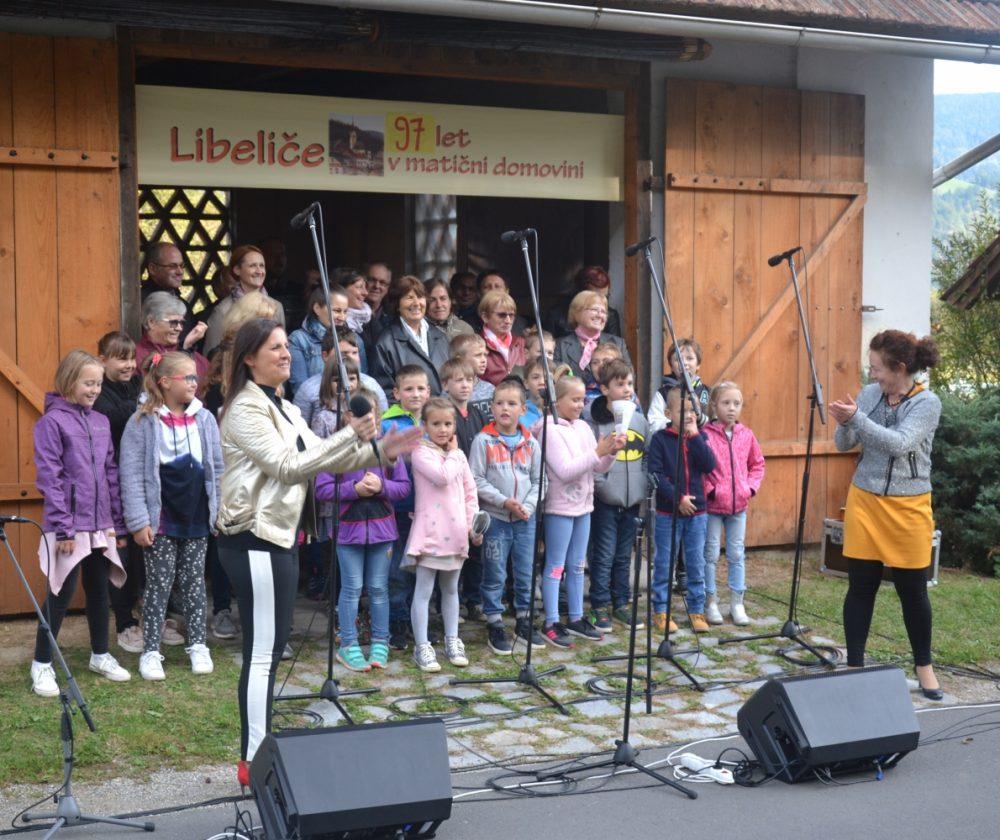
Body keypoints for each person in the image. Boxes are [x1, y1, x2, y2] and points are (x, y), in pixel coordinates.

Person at [215, 318, 421, 783]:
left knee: (273, 648)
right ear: (249, 358)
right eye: (274, 347)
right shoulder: (245, 408)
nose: (286, 353)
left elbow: (324, 458)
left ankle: (260, 750)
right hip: (252, 538)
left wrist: (380, 451)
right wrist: (353, 433)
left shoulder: (285, 407)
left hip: (280, 537)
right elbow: (289, 467)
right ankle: (252, 760)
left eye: (285, 346)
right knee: (262, 653)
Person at [831, 330, 944, 700]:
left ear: (900, 368)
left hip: (909, 507)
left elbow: (899, 444)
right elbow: (843, 444)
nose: (872, 374)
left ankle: (924, 667)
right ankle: (854, 665)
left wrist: (858, 420)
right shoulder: (868, 394)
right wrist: (845, 421)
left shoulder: (927, 403)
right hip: (865, 501)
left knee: (913, 592)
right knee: (861, 587)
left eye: (877, 368)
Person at [30, 351, 131, 697]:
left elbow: (110, 474)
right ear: (69, 381)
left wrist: (116, 523)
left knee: (99, 589)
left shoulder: (101, 422)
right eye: (89, 383)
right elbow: (50, 476)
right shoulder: (52, 423)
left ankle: (100, 655)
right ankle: (42, 663)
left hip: (100, 524)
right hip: (69, 527)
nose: (95, 390)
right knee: (61, 592)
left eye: (99, 384)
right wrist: (64, 528)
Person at [120, 352, 223, 681]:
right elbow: (131, 475)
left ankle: (198, 644)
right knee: (158, 586)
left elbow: (216, 468)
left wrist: (217, 510)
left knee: (194, 583)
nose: (194, 382)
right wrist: (139, 521)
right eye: (187, 377)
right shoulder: (142, 422)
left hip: (196, 517)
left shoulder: (205, 419)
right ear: (164, 382)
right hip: (162, 519)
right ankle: (151, 650)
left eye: (195, 377)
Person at [316, 389, 411, 672]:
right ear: (347, 418)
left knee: (379, 588)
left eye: (371, 415)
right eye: (359, 415)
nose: (367, 421)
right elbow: (322, 489)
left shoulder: (387, 449)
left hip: (383, 532)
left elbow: (403, 487)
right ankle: (348, 644)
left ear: (379, 417)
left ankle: (380, 642)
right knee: (352, 588)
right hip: (348, 532)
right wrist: (354, 489)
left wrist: (382, 487)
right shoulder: (336, 449)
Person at [539, 373, 622, 648]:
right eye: (574, 400)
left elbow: (597, 466)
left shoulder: (583, 427)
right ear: (557, 401)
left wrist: (610, 452)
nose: (579, 405)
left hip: (584, 506)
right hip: (560, 508)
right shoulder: (549, 430)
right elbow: (564, 470)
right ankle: (551, 621)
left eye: (582, 400)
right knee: (556, 566)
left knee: (577, 565)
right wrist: (598, 452)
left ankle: (575, 617)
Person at [406, 398, 481, 672]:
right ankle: (422, 645)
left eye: (448, 424)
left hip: (457, 532)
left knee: (451, 589)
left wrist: (473, 525)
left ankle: (452, 639)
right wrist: (455, 454)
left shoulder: (457, 456)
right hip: (431, 533)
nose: (443, 429)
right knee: (424, 591)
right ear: (425, 425)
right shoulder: (421, 452)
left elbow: (470, 492)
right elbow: (442, 477)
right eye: (436, 423)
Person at [469, 379, 544, 654]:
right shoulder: (483, 441)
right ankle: (495, 622)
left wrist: (528, 507)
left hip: (525, 518)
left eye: (511, 404)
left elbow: (540, 480)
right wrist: (504, 502)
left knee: (525, 571)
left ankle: (524, 620)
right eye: (499, 403)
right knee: (495, 572)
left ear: (523, 409)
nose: (505, 408)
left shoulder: (531, 443)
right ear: (491, 408)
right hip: (496, 518)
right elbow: (476, 478)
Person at [92, 332, 149, 654]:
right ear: (103, 360)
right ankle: (125, 622)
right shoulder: (100, 391)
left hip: (140, 481)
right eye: (120, 359)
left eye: (131, 358)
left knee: (145, 551)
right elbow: (113, 417)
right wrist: (143, 407)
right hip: (111, 483)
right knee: (120, 554)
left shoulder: (138, 384)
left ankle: (150, 616)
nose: (128, 365)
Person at [586, 359, 649, 632]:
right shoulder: (595, 422)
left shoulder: (640, 421)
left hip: (632, 500)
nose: (627, 389)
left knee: (624, 555)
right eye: (620, 384)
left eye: (630, 384)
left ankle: (620, 602)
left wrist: (642, 486)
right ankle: (599, 605)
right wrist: (603, 486)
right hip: (605, 500)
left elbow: (645, 456)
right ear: (604, 389)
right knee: (603, 554)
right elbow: (592, 457)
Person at [649, 387, 717, 634]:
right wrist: (678, 498)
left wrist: (696, 436)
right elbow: (656, 474)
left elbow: (709, 465)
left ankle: (697, 609)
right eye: (683, 410)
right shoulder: (660, 439)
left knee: (696, 562)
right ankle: (661, 610)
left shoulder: (700, 437)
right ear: (668, 413)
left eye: (692, 410)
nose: (689, 415)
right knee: (664, 562)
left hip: (697, 514)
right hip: (669, 513)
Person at [703, 381, 765, 626]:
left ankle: (737, 603)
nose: (731, 408)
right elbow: (699, 469)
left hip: (738, 507)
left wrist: (749, 488)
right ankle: (710, 601)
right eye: (726, 403)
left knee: (736, 554)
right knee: (710, 554)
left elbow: (757, 464)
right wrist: (710, 491)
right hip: (712, 507)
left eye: (736, 403)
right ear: (714, 405)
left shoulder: (746, 435)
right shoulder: (706, 436)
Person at [381, 365, 432, 649]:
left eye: (420, 388)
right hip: (399, 507)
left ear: (429, 392)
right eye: (409, 389)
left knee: (425, 567)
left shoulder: (436, 419)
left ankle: (419, 620)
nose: (415, 394)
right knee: (398, 568)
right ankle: (397, 620)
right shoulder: (389, 424)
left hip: (431, 509)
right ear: (396, 393)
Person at [441, 358, 488, 621]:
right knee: (454, 548)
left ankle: (473, 599)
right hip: (453, 489)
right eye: (458, 380)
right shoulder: (444, 416)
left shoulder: (478, 414)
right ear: (445, 385)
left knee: (476, 548)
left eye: (469, 380)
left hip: (475, 489)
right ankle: (450, 601)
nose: (465, 385)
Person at [293, 328, 387, 428]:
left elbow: (384, 421)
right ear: (325, 356)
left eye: (355, 353)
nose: (351, 358)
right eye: (343, 354)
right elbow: (299, 429)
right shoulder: (308, 390)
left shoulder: (371, 385)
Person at [373, 275, 450, 395]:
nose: (416, 303)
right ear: (397, 305)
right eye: (409, 298)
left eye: (420, 297)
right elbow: (386, 392)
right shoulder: (385, 343)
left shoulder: (440, 337)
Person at [204, 246, 286, 357]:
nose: (259, 271)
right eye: (253, 266)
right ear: (237, 270)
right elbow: (212, 355)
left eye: (262, 266)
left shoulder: (277, 307)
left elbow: (282, 348)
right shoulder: (223, 310)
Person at [137, 292, 210, 390]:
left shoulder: (197, 358)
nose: (179, 328)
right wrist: (184, 351)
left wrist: (186, 349)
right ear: (151, 322)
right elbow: (163, 391)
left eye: (181, 323)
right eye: (173, 322)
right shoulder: (136, 357)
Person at [287, 284, 349, 398]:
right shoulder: (298, 340)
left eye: (345, 311)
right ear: (317, 308)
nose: (342, 317)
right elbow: (301, 390)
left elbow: (362, 380)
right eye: (337, 311)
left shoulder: (355, 339)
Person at [554, 290, 630, 380]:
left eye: (603, 312)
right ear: (577, 312)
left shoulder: (618, 343)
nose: (600, 315)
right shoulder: (560, 345)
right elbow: (555, 380)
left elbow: (627, 377)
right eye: (595, 310)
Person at [649, 338, 711, 434]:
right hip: (673, 441)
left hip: (701, 441)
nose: (684, 363)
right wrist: (677, 425)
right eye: (678, 359)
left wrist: (701, 420)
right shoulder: (663, 393)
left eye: (689, 358)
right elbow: (654, 423)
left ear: (698, 364)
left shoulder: (707, 392)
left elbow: (716, 423)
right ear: (671, 366)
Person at [544, 265, 623, 339]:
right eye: (594, 296)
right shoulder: (556, 314)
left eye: (605, 296)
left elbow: (614, 345)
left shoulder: (610, 316)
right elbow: (548, 344)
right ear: (580, 293)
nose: (600, 302)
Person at [479, 290, 527, 386]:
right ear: (485, 317)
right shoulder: (475, 346)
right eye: (502, 315)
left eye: (511, 315)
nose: (508, 321)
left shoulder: (522, 343)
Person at [451, 333, 494, 420]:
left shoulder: (490, 389)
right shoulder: (448, 392)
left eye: (485, 355)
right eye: (478, 355)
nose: (484, 360)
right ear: (459, 359)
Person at [425, 278, 474, 343]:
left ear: (451, 301)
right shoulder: (419, 329)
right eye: (432, 300)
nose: (439, 305)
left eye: (443, 298)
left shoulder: (464, 329)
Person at [363, 261, 394, 352]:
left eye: (382, 282)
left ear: (387, 288)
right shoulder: (347, 314)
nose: (376, 286)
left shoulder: (394, 318)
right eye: (372, 280)